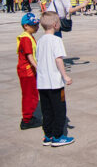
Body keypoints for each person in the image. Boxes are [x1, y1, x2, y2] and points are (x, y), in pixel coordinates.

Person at [36, 11, 74, 147]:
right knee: (59, 110)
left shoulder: (40, 41)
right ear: (55, 24)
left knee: (46, 110)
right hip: (55, 83)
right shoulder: (56, 40)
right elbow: (58, 59)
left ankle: (48, 135)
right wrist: (65, 76)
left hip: (42, 82)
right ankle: (58, 136)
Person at [17, 13, 41, 130]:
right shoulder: (26, 38)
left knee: (32, 95)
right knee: (30, 96)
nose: (37, 27)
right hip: (27, 72)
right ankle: (27, 120)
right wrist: (37, 67)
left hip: (29, 71)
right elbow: (29, 55)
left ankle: (28, 117)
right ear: (26, 26)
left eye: (37, 25)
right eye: (34, 25)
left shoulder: (29, 36)